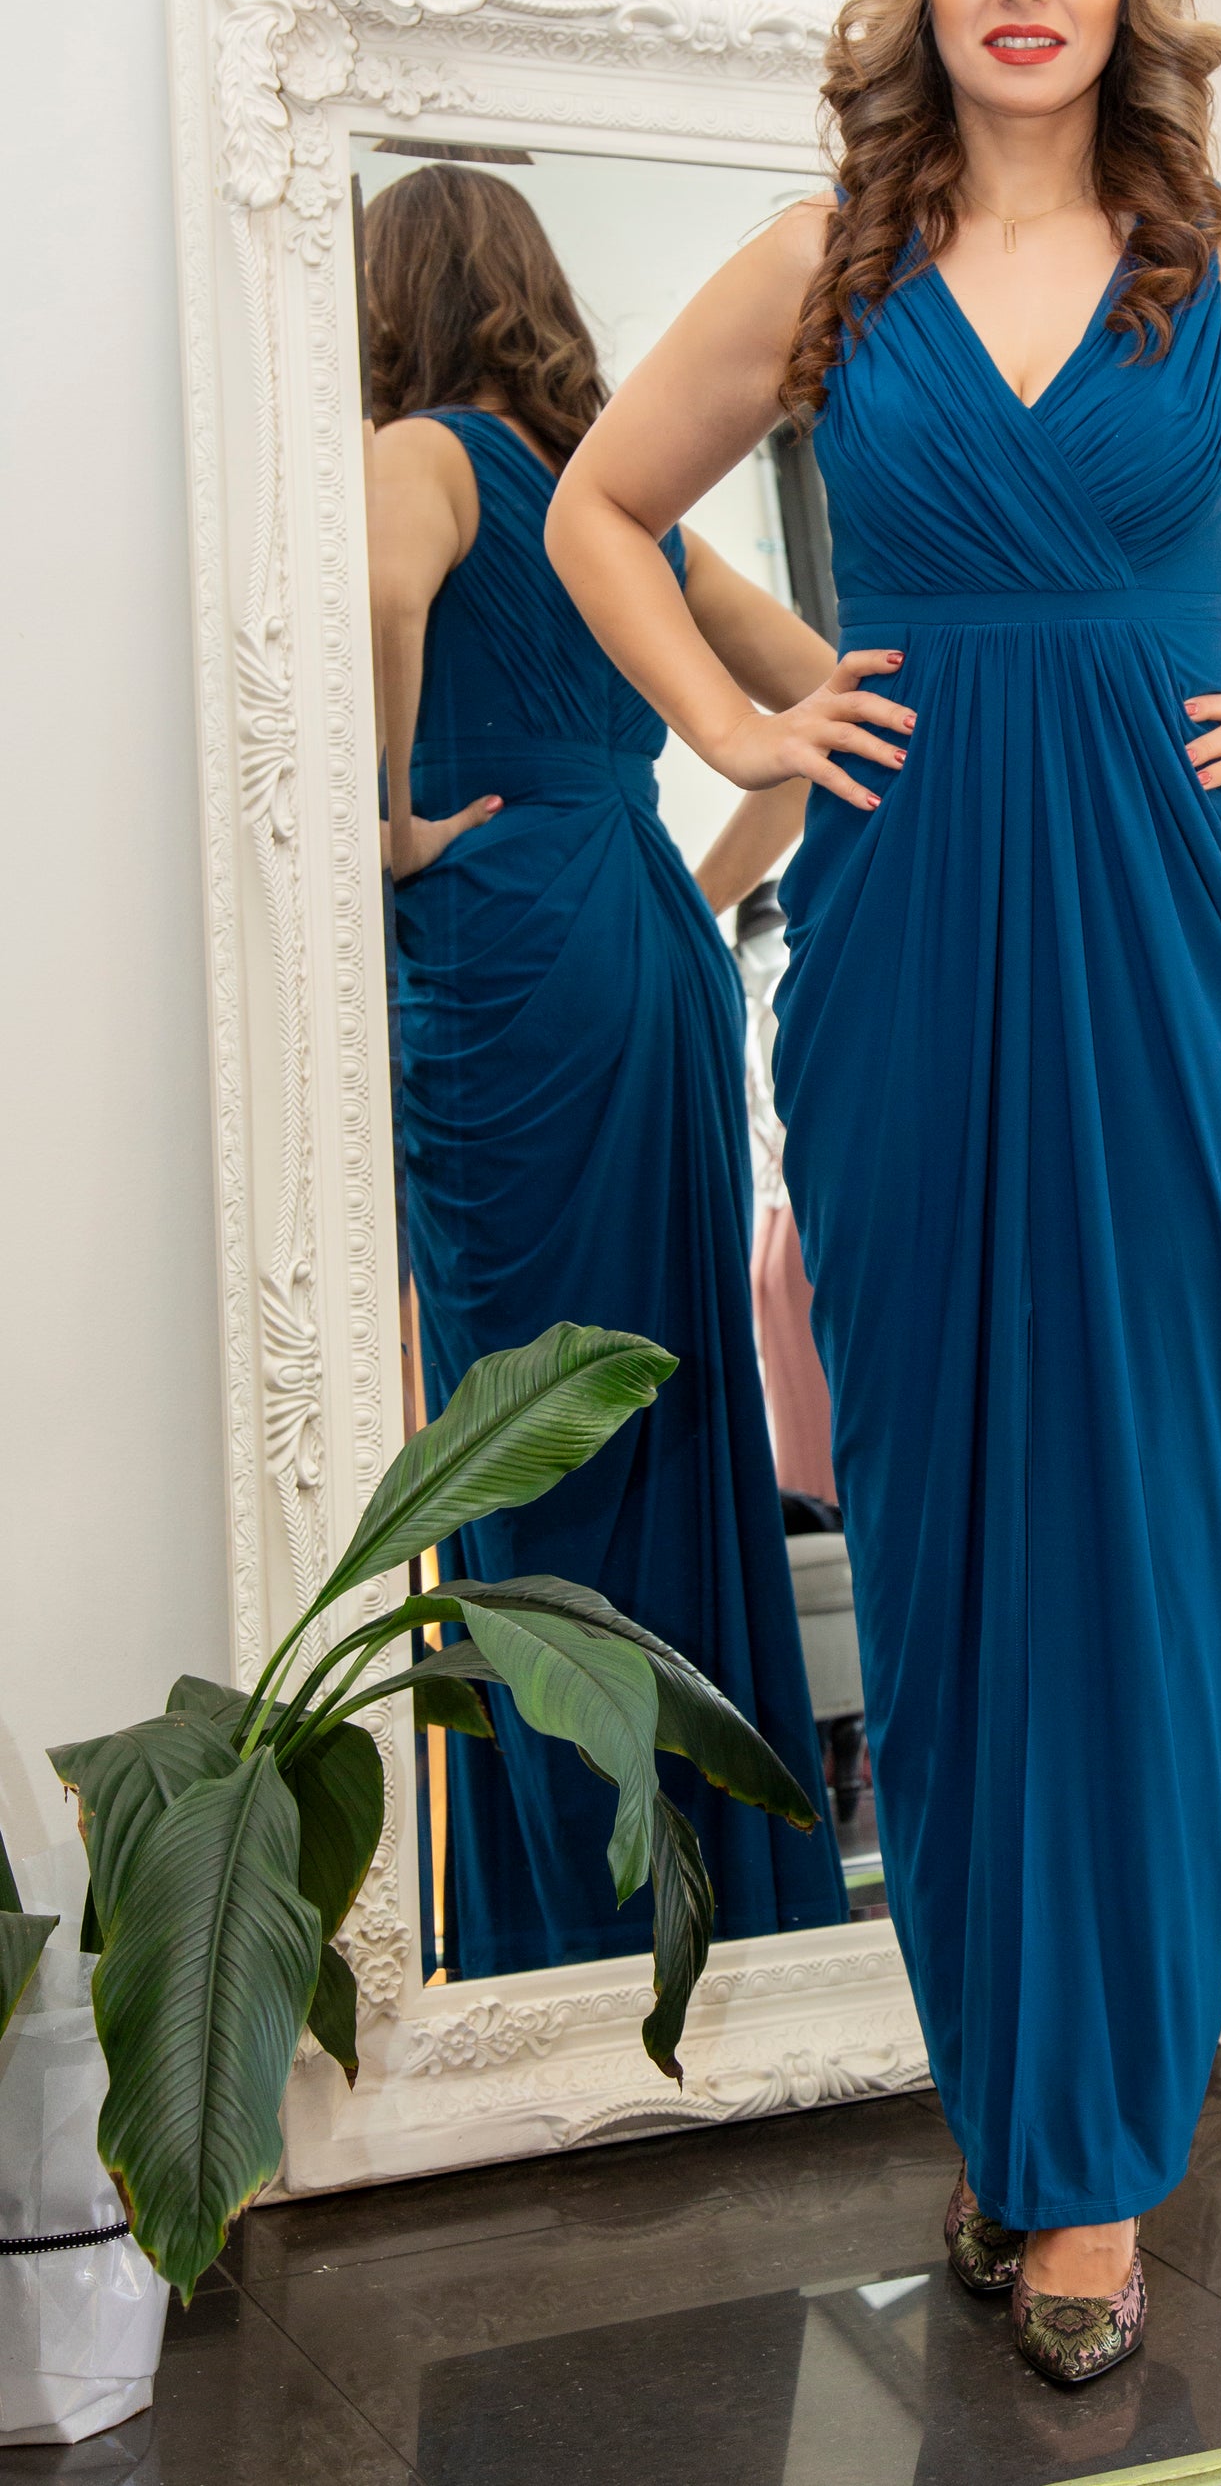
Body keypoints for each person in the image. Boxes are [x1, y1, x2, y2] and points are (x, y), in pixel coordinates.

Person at [545, 0, 1221, 2383]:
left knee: (1159, 1534)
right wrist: (747, 703)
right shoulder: (819, 276)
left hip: (1176, 960)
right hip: (907, 953)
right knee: (951, 1546)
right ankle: (1018, 2122)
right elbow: (597, 518)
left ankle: (1097, 2192)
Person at [363, 162, 850, 1976]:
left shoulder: (411, 449)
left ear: (390, 293)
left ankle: (561, 1921)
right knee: (663, 1400)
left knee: (517, 1426)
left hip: (504, 946)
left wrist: (391, 820)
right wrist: (694, 886)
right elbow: (814, 701)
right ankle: (716, 1898)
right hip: (637, 937)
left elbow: (388, 609)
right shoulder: (617, 504)